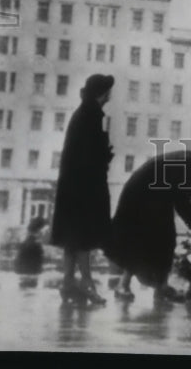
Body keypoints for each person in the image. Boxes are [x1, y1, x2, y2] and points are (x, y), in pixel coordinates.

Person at [104, 138, 191, 303]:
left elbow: (180, 196)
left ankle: (155, 286)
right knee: (152, 240)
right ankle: (139, 286)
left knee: (159, 240)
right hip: (144, 198)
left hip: (147, 195)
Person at [50, 73, 115, 304]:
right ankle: (87, 284)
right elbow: (91, 155)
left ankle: (68, 283)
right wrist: (105, 154)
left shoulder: (82, 112)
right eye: (108, 90)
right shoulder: (91, 115)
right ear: (102, 93)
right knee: (84, 238)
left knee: (72, 239)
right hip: (85, 189)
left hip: (72, 187)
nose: (110, 95)